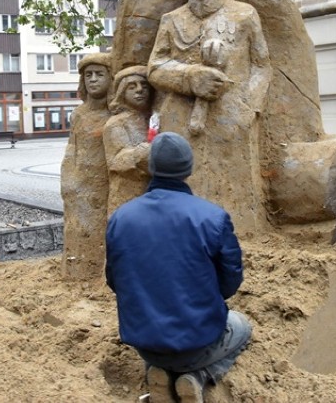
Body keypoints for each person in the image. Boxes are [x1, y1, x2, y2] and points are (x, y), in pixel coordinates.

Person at [106, 132, 251, 403]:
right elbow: (230, 282)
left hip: (144, 343)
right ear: (189, 168)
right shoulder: (213, 217)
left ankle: (158, 372)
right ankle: (199, 375)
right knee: (242, 326)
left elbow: (114, 280)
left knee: (163, 350)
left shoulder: (120, 218)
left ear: (151, 168)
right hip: (200, 341)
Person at [147, 0, 271, 230]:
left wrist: (248, 109)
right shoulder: (172, 20)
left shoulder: (245, 15)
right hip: (181, 118)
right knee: (185, 186)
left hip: (231, 117)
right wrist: (190, 78)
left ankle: (241, 238)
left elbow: (262, 66)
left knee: (235, 197)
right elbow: (155, 67)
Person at [60, 53, 113, 281]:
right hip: (80, 182)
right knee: (79, 229)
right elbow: (72, 148)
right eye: (88, 75)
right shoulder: (78, 114)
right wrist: (68, 178)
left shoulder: (116, 113)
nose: (93, 80)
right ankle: (78, 271)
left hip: (107, 183)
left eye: (99, 74)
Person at [103, 65, 153, 215]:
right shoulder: (116, 123)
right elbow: (116, 160)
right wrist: (141, 154)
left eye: (144, 85)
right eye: (132, 86)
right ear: (122, 92)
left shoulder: (155, 118)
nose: (139, 90)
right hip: (128, 192)